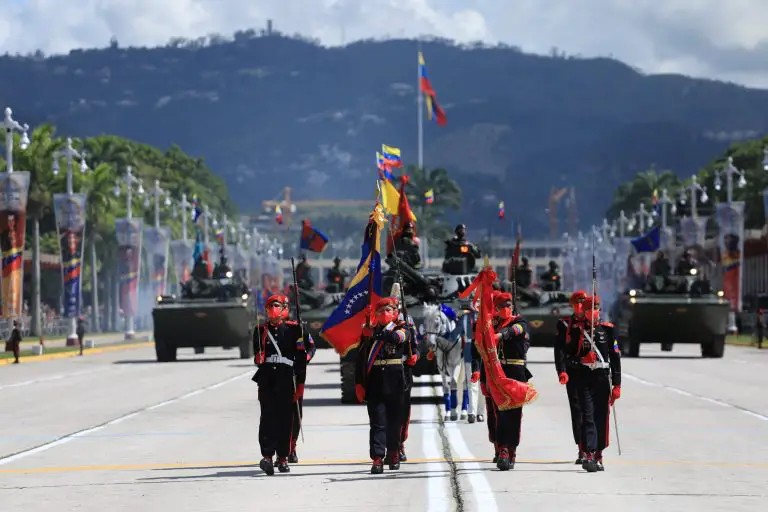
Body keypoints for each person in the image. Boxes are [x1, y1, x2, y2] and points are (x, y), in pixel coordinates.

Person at [559, 294, 621, 472]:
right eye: (588, 309)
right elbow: (567, 355)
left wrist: (617, 384)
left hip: (602, 378)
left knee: (602, 417)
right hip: (584, 377)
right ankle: (589, 453)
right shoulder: (577, 330)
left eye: (595, 309)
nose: (592, 312)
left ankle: (599, 453)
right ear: (584, 312)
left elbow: (615, 358)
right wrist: (581, 358)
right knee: (587, 416)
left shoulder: (607, 330)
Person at [252, 294, 308, 475]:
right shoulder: (260, 331)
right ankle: (267, 455)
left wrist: (300, 384)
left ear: (285, 309)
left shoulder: (295, 330)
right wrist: (257, 358)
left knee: (285, 419)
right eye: (270, 306)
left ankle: (283, 457)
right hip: (267, 378)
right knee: (267, 418)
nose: (272, 310)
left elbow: (300, 359)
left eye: (276, 306)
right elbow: (257, 355)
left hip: (286, 378)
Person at [355, 296, 409, 474]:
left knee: (394, 421)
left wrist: (374, 334)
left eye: (388, 310)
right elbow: (361, 359)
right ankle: (377, 458)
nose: (384, 313)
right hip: (375, 381)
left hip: (395, 381)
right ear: (375, 314)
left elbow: (395, 338)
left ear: (395, 313)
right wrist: (359, 383)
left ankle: (393, 453)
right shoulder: (367, 333)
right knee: (377, 422)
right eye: (380, 311)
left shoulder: (403, 328)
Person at [484, 291, 532, 471]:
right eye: (502, 307)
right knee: (500, 412)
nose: (507, 309)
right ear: (496, 309)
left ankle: (511, 449)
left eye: (509, 306)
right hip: (497, 372)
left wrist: (500, 335)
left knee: (514, 414)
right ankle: (502, 449)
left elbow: (516, 331)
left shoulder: (519, 322)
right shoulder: (491, 324)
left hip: (516, 372)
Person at [555, 290, 589, 464]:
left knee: (590, 410)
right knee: (577, 411)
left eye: (583, 303)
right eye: (577, 303)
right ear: (572, 305)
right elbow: (559, 349)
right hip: (573, 371)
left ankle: (591, 448)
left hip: (591, 371)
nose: (580, 306)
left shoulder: (593, 323)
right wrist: (561, 370)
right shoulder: (564, 324)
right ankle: (582, 448)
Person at [289, 313, 316, 464]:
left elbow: (311, 347)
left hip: (296, 375)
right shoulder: (273, 329)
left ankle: (292, 447)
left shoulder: (299, 329)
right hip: (278, 375)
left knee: (296, 415)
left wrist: (305, 358)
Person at [398, 295, 419, 462]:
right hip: (383, 371)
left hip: (404, 370)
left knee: (403, 409)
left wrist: (415, 356)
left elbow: (416, 346)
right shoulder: (378, 322)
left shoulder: (408, 321)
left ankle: (399, 444)